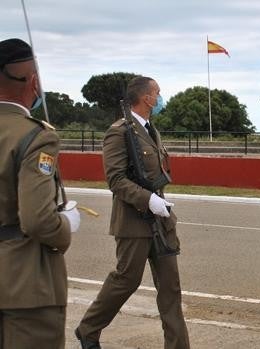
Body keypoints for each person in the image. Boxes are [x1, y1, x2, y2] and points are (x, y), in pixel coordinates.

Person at [75, 76, 190, 349]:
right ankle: (88, 329)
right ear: (147, 98)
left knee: (171, 289)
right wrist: (147, 200)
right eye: (157, 93)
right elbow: (115, 179)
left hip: (161, 221)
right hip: (134, 221)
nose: (161, 98)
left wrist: (157, 203)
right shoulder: (119, 131)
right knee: (126, 281)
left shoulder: (151, 130)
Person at [0, 38, 80, 349]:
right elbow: (37, 220)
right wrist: (65, 225)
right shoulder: (35, 136)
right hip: (25, 287)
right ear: (32, 81)